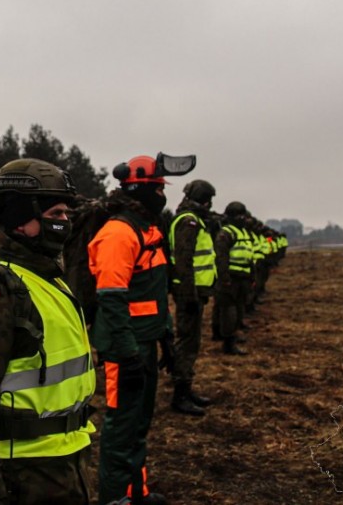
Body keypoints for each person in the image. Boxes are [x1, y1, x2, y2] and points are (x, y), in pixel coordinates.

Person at [0, 159, 96, 504]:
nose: (65, 222)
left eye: (66, 213)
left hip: (65, 462)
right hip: (22, 474)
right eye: (55, 214)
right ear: (21, 219)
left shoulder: (50, 279)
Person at [88, 155, 172, 505]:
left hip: (145, 342)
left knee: (139, 424)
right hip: (126, 348)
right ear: (139, 189)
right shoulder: (119, 233)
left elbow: (154, 292)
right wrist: (127, 352)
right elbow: (111, 299)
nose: (162, 196)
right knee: (121, 428)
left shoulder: (148, 229)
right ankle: (114, 499)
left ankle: (136, 492)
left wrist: (166, 336)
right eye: (158, 189)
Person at [168, 179, 218, 416]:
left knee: (191, 342)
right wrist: (189, 296)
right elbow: (184, 262)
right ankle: (180, 394)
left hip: (195, 293)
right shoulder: (188, 222)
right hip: (190, 294)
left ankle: (186, 389)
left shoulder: (194, 220)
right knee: (187, 342)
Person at [212, 202, 253, 356]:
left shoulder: (243, 233)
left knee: (238, 310)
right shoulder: (226, 233)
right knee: (228, 312)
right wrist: (225, 278)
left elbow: (249, 256)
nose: (244, 219)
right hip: (231, 278)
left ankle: (232, 337)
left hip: (243, 278)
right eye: (240, 215)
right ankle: (228, 343)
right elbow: (221, 258)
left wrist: (252, 276)